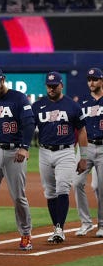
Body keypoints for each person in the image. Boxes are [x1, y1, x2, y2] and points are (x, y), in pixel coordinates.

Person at [0, 67, 35, 251]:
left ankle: (26, 233)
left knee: (18, 196)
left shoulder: (18, 97)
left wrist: (25, 147)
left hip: (14, 153)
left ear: (3, 80)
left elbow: (29, 123)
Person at [32, 71, 88, 243]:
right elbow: (29, 128)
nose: (51, 88)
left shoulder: (72, 106)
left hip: (65, 151)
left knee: (63, 188)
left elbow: (82, 131)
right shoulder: (38, 105)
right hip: (44, 151)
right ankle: (56, 226)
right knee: (49, 192)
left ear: (61, 85)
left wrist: (83, 157)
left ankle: (59, 228)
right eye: (49, 85)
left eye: (54, 85)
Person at [74, 67, 103, 238]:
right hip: (86, 147)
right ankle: (86, 222)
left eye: (95, 79)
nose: (91, 82)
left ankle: (102, 224)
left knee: (100, 187)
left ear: (102, 81)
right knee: (77, 182)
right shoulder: (82, 102)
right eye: (89, 79)